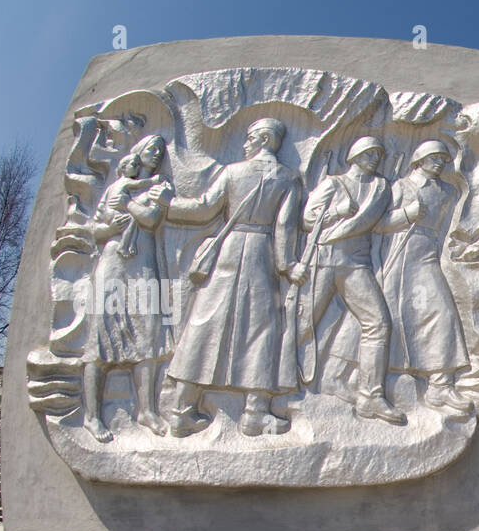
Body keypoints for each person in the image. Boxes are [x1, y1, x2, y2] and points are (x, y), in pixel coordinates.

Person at [163, 117, 305, 437]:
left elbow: (203, 208)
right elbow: (284, 228)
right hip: (260, 253)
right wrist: (287, 264)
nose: (245, 143)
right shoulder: (288, 178)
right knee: (261, 329)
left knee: (205, 324)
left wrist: (166, 206)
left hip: (228, 249)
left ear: (265, 139)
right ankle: (254, 413)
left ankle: (181, 411)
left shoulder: (232, 172)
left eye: (251, 137)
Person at [297, 136, 404, 424]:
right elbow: (308, 219)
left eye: (377, 154)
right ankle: (277, 388)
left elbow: (373, 222)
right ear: (354, 155)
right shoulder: (333, 183)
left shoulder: (381, 187)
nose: (374, 158)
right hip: (324, 259)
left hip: (356, 264)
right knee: (302, 323)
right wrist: (335, 212)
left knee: (379, 323)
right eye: (368, 153)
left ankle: (371, 397)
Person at [80, 136, 174, 441]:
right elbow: (95, 229)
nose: (156, 153)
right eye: (151, 148)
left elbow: (151, 218)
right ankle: (92, 416)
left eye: (161, 150)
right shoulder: (116, 186)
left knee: (148, 332)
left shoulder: (161, 187)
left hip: (143, 263)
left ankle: (146, 410)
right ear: (137, 151)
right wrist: (110, 227)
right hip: (113, 261)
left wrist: (129, 205)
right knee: (101, 334)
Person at [377, 140, 473, 419]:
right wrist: (406, 215)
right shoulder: (402, 187)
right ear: (418, 159)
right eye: (434, 157)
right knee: (395, 317)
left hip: (430, 254)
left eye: (443, 158)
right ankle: (389, 379)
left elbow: (454, 227)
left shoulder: (448, 192)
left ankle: (440, 384)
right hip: (401, 253)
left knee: (443, 313)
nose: (440, 162)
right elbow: (379, 224)